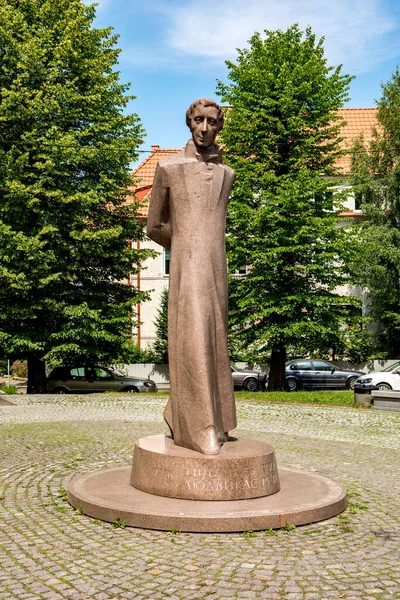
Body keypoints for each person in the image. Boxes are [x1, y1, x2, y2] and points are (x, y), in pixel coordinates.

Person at [147, 98, 237, 455]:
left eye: (212, 122)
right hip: (187, 265)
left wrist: (204, 249)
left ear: (219, 126)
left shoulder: (227, 174)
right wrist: (186, 246)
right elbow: (154, 225)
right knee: (195, 338)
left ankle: (206, 417)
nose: (204, 128)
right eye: (198, 120)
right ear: (189, 123)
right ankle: (202, 428)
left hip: (218, 268)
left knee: (214, 341)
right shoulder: (168, 168)